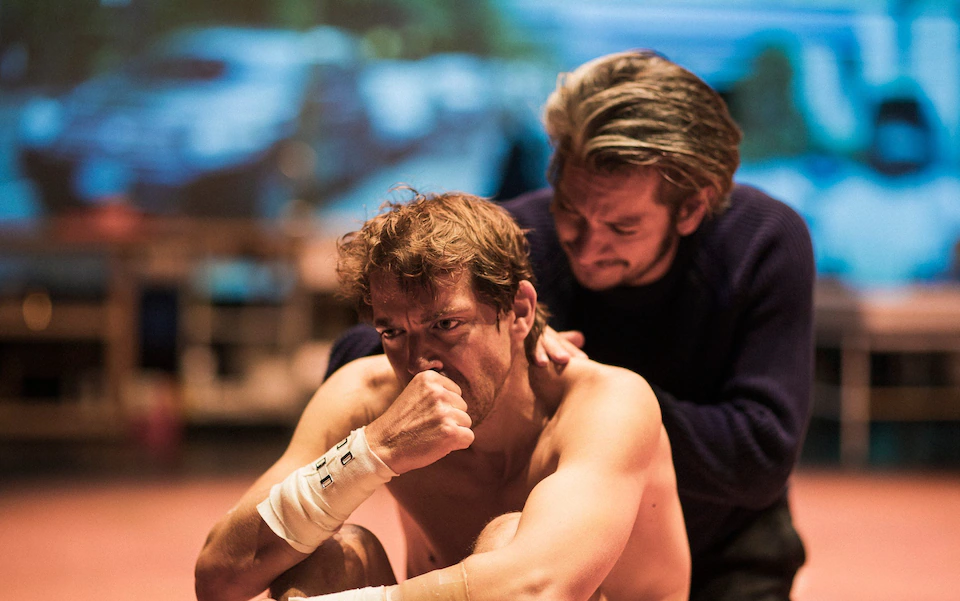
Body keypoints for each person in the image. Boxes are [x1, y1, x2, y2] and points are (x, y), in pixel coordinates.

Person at [324, 50, 816, 601]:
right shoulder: (520, 234)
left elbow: (761, 453)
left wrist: (601, 397)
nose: (586, 244)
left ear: (691, 209)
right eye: (571, 211)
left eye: (622, 227)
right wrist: (489, 345)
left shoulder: (763, 241)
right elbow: (357, 354)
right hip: (550, 549)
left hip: (731, 559)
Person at [195, 190, 691, 601]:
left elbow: (535, 590)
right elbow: (218, 577)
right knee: (331, 555)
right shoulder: (365, 396)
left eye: (446, 325)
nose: (419, 362)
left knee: (507, 538)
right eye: (393, 332)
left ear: (519, 311)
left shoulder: (607, 402)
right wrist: (370, 452)